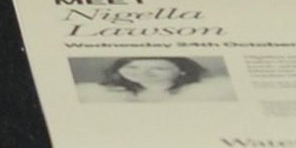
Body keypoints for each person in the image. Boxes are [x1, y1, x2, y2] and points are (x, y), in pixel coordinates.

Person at [88, 57, 220, 102]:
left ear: (183, 70)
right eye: (132, 67)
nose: (143, 73)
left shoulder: (205, 93)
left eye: (159, 68)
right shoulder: (102, 93)